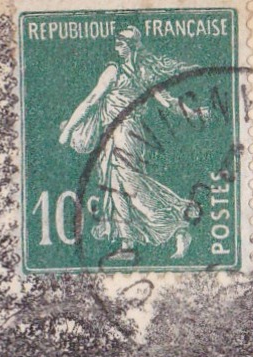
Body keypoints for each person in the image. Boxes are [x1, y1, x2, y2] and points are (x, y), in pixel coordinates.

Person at [57, 26, 206, 261]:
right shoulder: (141, 73)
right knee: (117, 185)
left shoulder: (114, 71)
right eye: (117, 41)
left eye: (121, 41)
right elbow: (168, 103)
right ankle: (128, 244)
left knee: (130, 186)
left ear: (130, 46)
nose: (116, 44)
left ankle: (178, 221)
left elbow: (92, 100)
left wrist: (68, 130)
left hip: (123, 134)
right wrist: (194, 112)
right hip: (121, 135)